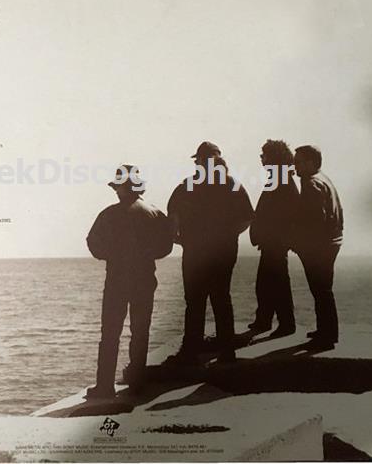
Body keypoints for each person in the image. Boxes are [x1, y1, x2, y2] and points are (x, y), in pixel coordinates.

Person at [85, 165, 173, 399]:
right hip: (145, 278)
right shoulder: (154, 213)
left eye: (117, 187)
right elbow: (166, 246)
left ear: (123, 188)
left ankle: (105, 386)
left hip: (117, 279)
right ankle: (137, 383)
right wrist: (147, 255)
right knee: (140, 331)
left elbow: (93, 243)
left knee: (110, 333)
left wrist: (112, 255)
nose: (116, 191)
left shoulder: (109, 214)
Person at [167, 142, 254, 363]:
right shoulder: (232, 185)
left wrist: (180, 239)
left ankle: (191, 350)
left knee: (194, 301)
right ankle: (227, 351)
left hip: (195, 252)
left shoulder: (188, 185)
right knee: (221, 298)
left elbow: (172, 217)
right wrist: (228, 235)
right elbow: (247, 218)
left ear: (199, 162)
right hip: (224, 251)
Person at [293, 145, 344, 350]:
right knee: (324, 290)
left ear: (311, 162)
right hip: (332, 241)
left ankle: (326, 337)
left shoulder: (311, 183)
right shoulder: (324, 179)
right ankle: (326, 331)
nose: (295, 166)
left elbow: (315, 219)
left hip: (319, 246)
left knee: (320, 291)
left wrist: (300, 243)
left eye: (298, 162)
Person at [249, 140, 299, 337]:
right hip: (272, 242)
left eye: (265, 154)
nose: (261, 158)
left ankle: (285, 324)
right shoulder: (280, 179)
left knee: (275, 284)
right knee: (268, 283)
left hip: (275, 243)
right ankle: (266, 320)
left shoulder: (281, 180)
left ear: (274, 158)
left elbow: (283, 214)